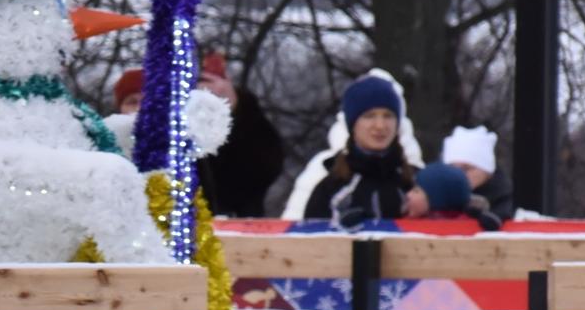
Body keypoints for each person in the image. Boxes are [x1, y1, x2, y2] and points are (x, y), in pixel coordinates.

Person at [301, 74, 416, 229]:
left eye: (388, 116)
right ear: (353, 125)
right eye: (369, 116)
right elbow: (308, 245)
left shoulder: (415, 183)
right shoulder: (330, 189)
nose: (380, 126)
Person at [193, 52, 285, 218]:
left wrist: (233, 110)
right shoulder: (173, 130)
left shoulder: (249, 120)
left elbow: (265, 168)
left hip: (239, 225)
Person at [441, 124, 514, 220]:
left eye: (466, 169)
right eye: (452, 169)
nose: (458, 175)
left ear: (487, 170)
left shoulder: (507, 200)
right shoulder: (437, 199)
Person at [407, 161, 503, 230]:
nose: (408, 195)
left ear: (437, 197)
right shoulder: (405, 222)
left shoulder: (466, 227)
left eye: (416, 191)